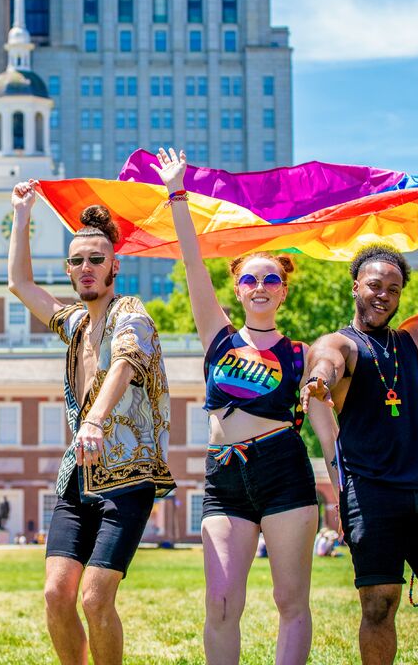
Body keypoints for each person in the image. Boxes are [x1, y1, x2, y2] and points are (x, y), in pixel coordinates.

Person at [150, 147, 320, 665]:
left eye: (271, 279)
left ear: (284, 290)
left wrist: (347, 486)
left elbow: (325, 429)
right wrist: (177, 192)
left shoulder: (302, 354)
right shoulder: (218, 338)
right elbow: (192, 263)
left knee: (290, 601)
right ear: (239, 290)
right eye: (250, 279)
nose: (260, 286)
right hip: (224, 475)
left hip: (284, 471)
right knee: (221, 601)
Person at [301, 187, 418, 665]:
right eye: (373, 285)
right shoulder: (340, 343)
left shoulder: (415, 338)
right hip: (373, 493)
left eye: (393, 288)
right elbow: (326, 362)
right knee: (378, 606)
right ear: (355, 286)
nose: (383, 294)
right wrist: (319, 382)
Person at [8, 179, 176, 665]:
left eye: (96, 260)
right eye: (77, 261)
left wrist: (95, 421)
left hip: (127, 479)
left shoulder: (132, 313)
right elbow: (21, 285)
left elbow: (124, 362)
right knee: (57, 595)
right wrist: (22, 217)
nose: (86, 268)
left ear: (114, 266)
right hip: (77, 477)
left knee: (95, 598)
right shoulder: (76, 323)